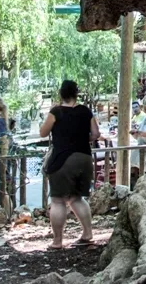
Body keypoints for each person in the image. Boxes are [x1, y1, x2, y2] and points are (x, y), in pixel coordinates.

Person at [40, 80, 99, 250]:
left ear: (61, 94)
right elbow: (96, 134)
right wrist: (81, 139)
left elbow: (43, 132)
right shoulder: (85, 111)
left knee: (58, 200)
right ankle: (87, 234)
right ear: (76, 93)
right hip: (84, 157)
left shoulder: (56, 112)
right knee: (76, 198)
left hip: (62, 158)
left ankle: (57, 241)